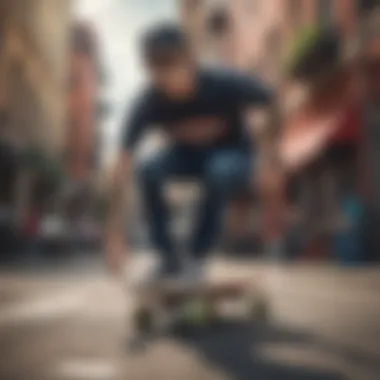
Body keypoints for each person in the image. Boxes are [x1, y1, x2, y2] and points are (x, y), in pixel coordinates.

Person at [105, 24, 280, 283]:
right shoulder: (149, 101)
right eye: (158, 74)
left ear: (190, 61)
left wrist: (268, 161)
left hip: (233, 156)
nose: (170, 82)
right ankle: (168, 259)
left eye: (174, 69)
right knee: (148, 170)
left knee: (218, 170)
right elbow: (122, 165)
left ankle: (197, 257)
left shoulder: (222, 82)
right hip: (185, 159)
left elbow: (271, 101)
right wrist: (114, 233)